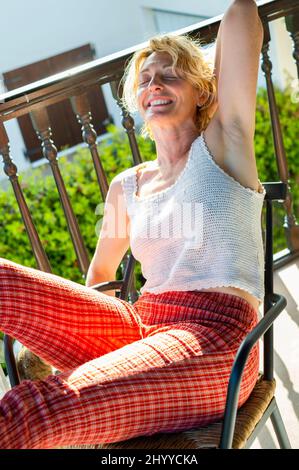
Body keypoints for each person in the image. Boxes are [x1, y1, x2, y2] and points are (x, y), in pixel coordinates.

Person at [0, 0, 265, 449]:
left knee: (28, 412)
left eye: (170, 74)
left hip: (218, 342)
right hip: (141, 324)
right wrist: (61, 332)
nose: (154, 85)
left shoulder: (224, 144)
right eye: (145, 79)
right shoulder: (128, 185)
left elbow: (242, 15)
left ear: (204, 91)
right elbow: (100, 277)